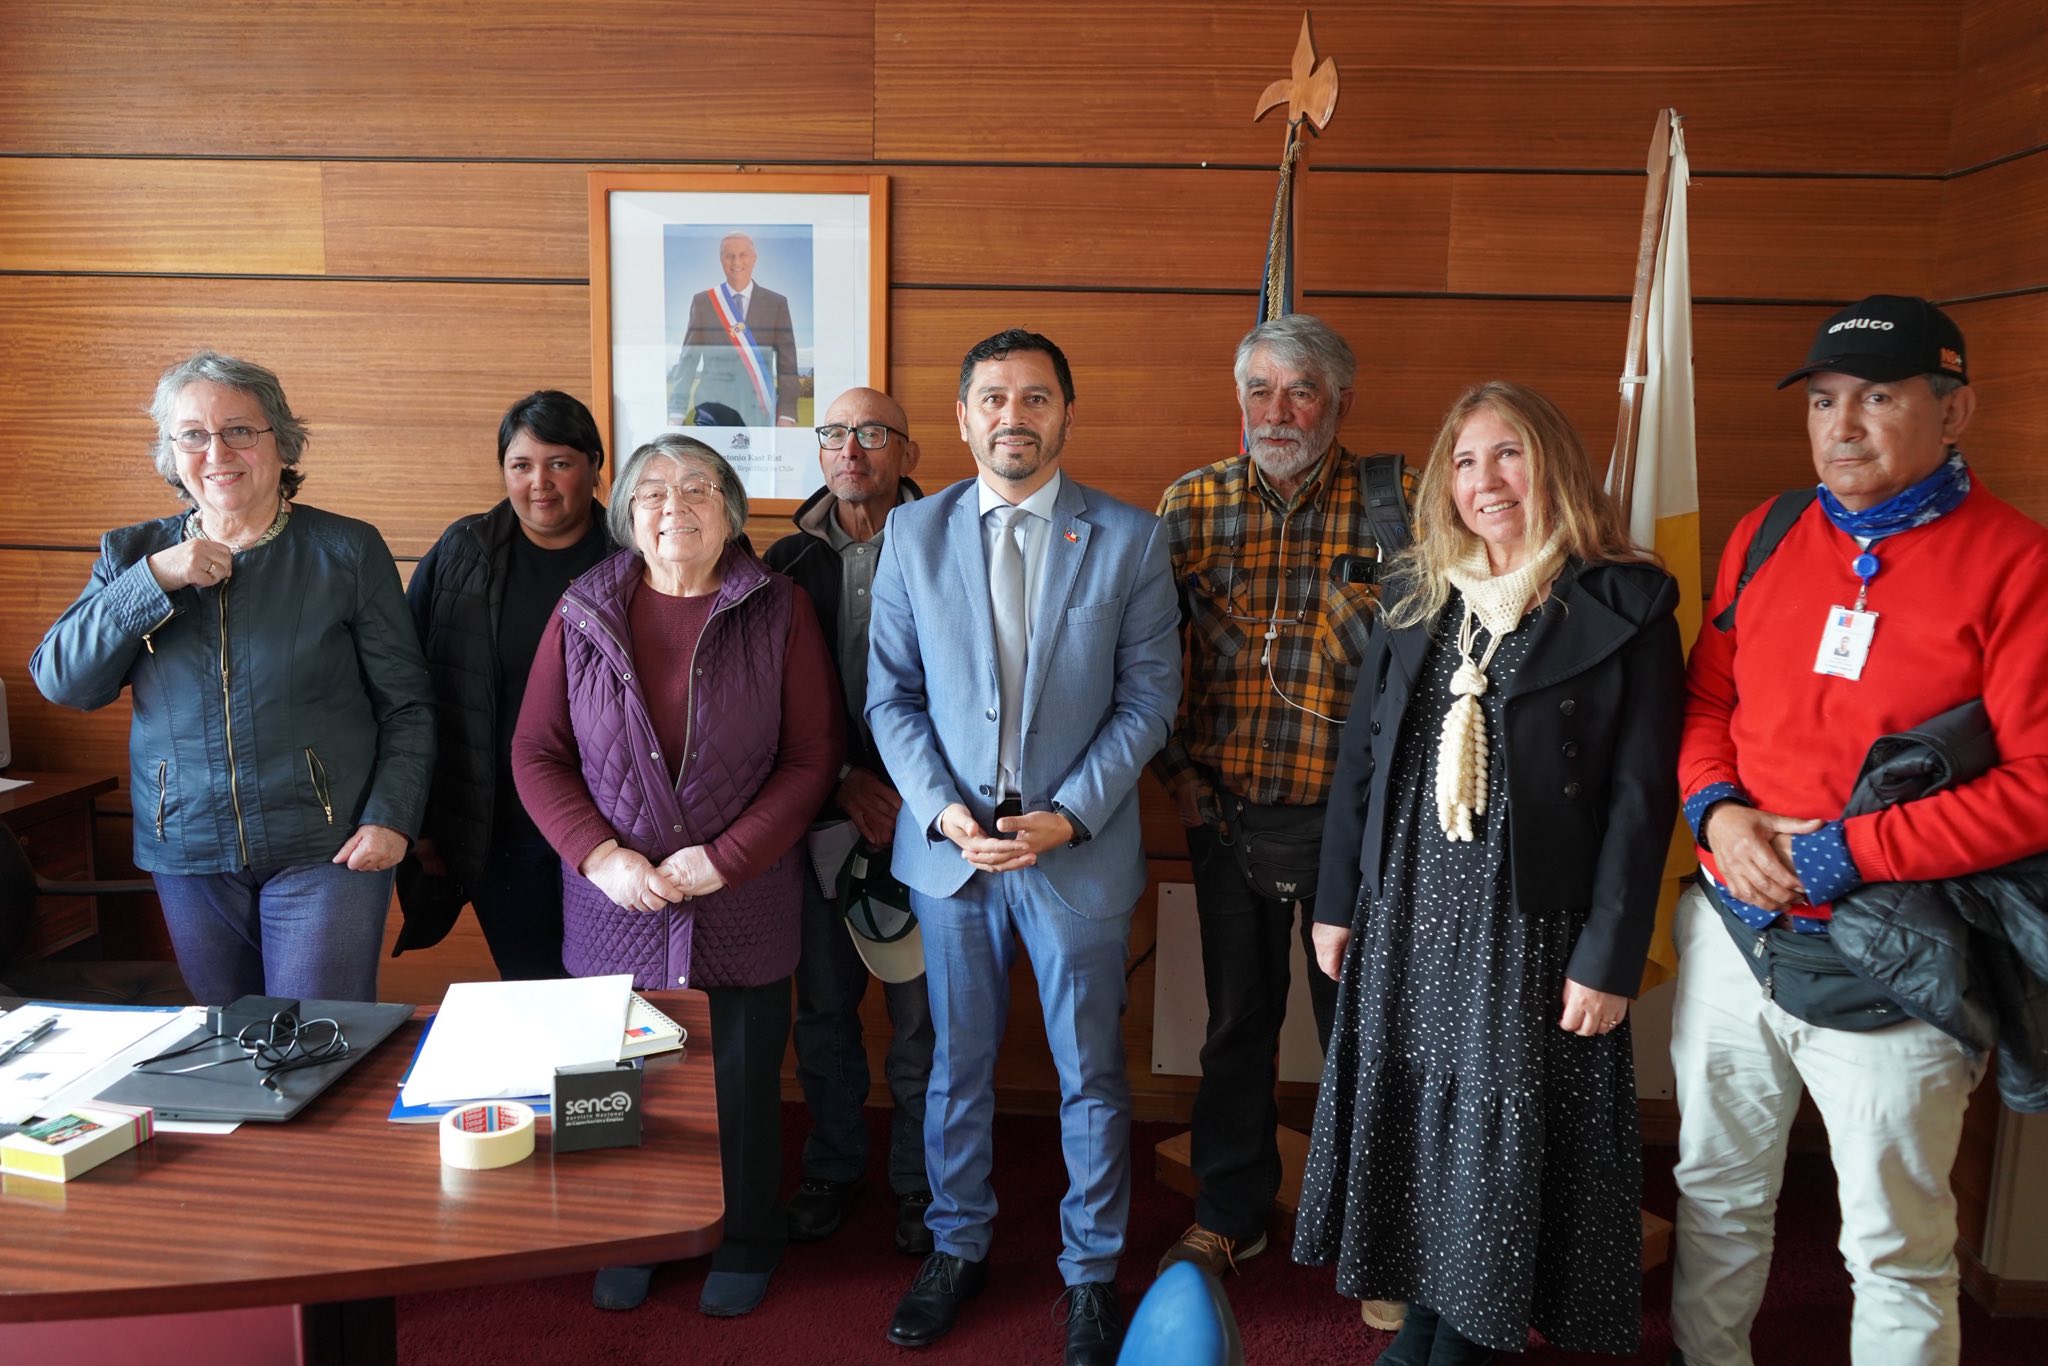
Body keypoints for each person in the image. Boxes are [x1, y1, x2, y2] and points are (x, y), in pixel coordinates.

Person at [1669, 296, 2048, 1366]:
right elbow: (1706, 701)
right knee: (1714, 1196)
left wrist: (1841, 853)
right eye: (1823, 400)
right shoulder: (1768, 530)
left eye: (1877, 398)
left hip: (1900, 954)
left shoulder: (2018, 563)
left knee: (1893, 1246)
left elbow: (2036, 786)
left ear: (1953, 409)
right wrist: (1716, 810)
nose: (1840, 427)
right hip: (1737, 932)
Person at [1297, 381, 1684, 1363]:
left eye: (1507, 454)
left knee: (1493, 1131)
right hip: (1409, 907)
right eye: (1464, 462)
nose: (1486, 480)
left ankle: (1469, 1334)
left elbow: (1641, 799)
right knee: (1420, 1122)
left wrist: (1609, 957)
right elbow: (1364, 759)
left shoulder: (1627, 601)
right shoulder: (1416, 590)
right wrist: (1337, 903)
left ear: (1552, 464)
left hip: (1531, 923)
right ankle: (1426, 1320)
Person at [866, 329, 1181, 1365]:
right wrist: (940, 811)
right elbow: (891, 696)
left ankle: (1089, 1272)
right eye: (993, 398)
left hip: (1074, 852)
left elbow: (1148, 700)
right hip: (951, 854)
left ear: (1065, 415)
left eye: (1036, 397)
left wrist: (1072, 813)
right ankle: (956, 1248)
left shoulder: (1130, 540)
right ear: (962, 419)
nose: (1014, 415)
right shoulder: (912, 533)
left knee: (1090, 1072)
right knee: (953, 1066)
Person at [511, 434, 842, 1317]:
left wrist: (725, 859)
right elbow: (537, 753)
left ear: (730, 510)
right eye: (653, 491)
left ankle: (746, 1236)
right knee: (613, 1081)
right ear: (628, 514)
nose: (674, 506)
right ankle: (628, 1232)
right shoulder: (582, 609)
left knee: (739, 1079)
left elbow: (812, 757)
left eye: (697, 488)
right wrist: (599, 854)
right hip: (615, 898)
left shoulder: (778, 608)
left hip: (741, 895)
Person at [30, 350, 434, 1005]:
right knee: (231, 1040)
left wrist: (392, 817)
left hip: (329, 846)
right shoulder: (132, 556)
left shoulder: (347, 550)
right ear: (172, 453)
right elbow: (66, 682)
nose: (217, 452)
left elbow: (408, 705)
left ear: (280, 442)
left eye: (239, 430)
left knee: (318, 1040)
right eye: (193, 434)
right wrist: (154, 580)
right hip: (188, 850)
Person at [1151, 312, 1411, 1279]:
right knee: (1235, 1028)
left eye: (1301, 391)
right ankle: (1232, 1211)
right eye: (1259, 390)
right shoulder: (1191, 505)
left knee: (1366, 1032)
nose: (1278, 411)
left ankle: (1374, 1233)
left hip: (1361, 835)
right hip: (1226, 818)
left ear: (1341, 400)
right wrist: (1178, 780)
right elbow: (1144, 666)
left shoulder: (1403, 508)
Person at [764, 387, 936, 1254]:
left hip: (931, 819)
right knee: (825, 1009)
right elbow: (758, 701)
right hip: (818, 813)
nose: (851, 449)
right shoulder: (783, 561)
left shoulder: (950, 542)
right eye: (834, 433)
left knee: (923, 1022)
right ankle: (833, 1166)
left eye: (871, 433)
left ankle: (920, 1181)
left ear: (908, 452)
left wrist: (918, 793)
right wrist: (838, 783)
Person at [403, 391, 616, 979]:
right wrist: (419, 821)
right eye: (521, 465)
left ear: (595, 465)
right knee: (535, 990)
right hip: (500, 829)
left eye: (559, 463)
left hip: (616, 828)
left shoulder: (635, 554)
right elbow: (406, 689)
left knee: (616, 995)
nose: (538, 483)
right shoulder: (463, 553)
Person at [670, 231, 801, 427]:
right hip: (711, 411)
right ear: (721, 260)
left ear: (754, 258)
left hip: (758, 410)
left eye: (743, 254)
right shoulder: (703, 302)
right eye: (729, 255)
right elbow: (688, 360)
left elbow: (787, 366)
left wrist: (787, 414)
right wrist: (677, 411)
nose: (736, 261)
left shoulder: (777, 303)